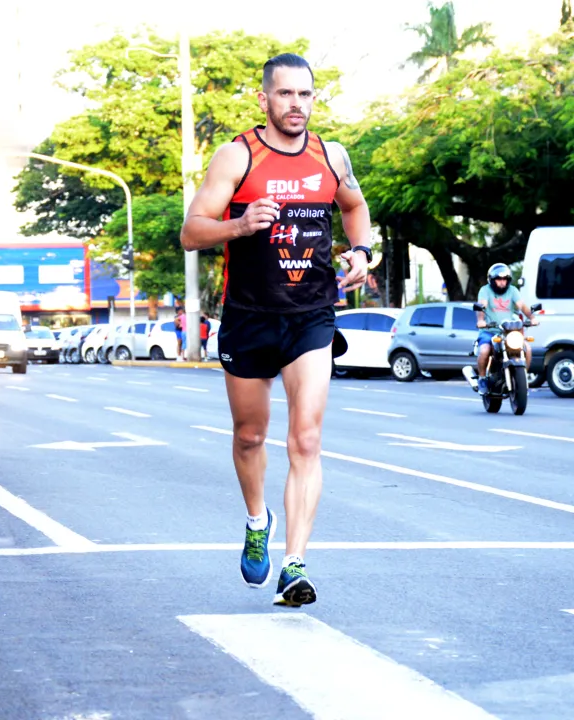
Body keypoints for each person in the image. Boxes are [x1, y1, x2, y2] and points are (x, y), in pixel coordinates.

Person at [180, 53, 371, 607]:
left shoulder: (331, 156)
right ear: (264, 99)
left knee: (306, 439)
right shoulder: (237, 155)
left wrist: (360, 251)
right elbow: (192, 231)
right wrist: (239, 224)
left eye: (305, 95)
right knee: (249, 436)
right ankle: (256, 520)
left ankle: (294, 563)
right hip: (249, 315)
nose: (296, 105)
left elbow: (355, 207)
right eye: (285, 95)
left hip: (312, 314)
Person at [474, 263, 538, 394]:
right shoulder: (485, 290)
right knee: (485, 350)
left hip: (508, 331)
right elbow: (482, 306)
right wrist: (481, 320)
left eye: (504, 280)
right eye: (498, 280)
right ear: (492, 280)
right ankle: (482, 379)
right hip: (489, 331)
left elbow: (522, 306)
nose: (502, 283)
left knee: (528, 348)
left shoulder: (513, 290)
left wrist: (532, 318)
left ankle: (522, 378)